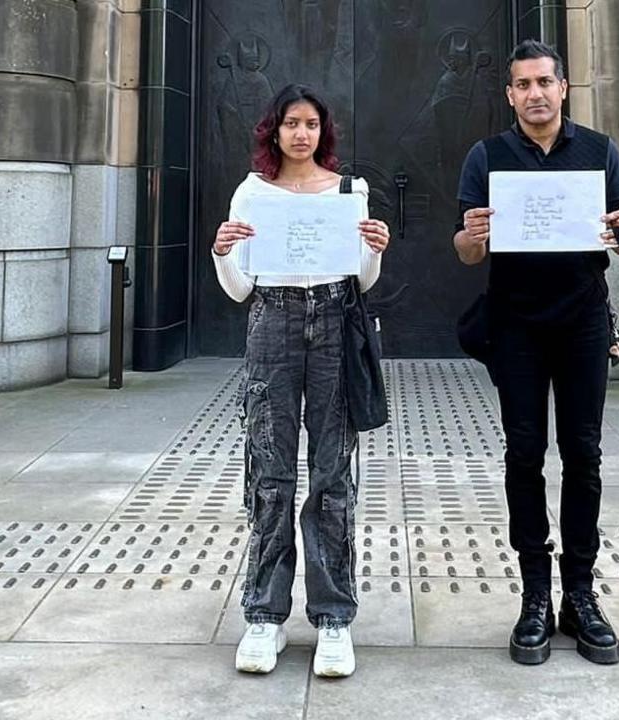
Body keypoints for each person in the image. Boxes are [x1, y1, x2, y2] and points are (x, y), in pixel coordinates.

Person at [452, 40, 619, 666]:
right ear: (509, 95)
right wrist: (471, 237)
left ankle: (579, 594)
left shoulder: (598, 151)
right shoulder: (487, 156)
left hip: (583, 321)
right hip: (516, 325)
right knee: (524, 453)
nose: (534, 93)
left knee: (584, 453)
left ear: (563, 88)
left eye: (544, 82)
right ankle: (535, 592)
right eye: (522, 85)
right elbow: (467, 252)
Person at [212, 83, 391, 678]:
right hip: (274, 321)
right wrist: (221, 251)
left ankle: (334, 618)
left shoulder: (349, 191)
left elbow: (362, 279)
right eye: (292, 123)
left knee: (333, 474)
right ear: (275, 129)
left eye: (312, 124)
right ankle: (264, 616)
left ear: (323, 132)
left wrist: (375, 249)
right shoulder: (251, 191)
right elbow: (239, 288)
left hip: (335, 319)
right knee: (269, 472)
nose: (301, 134)